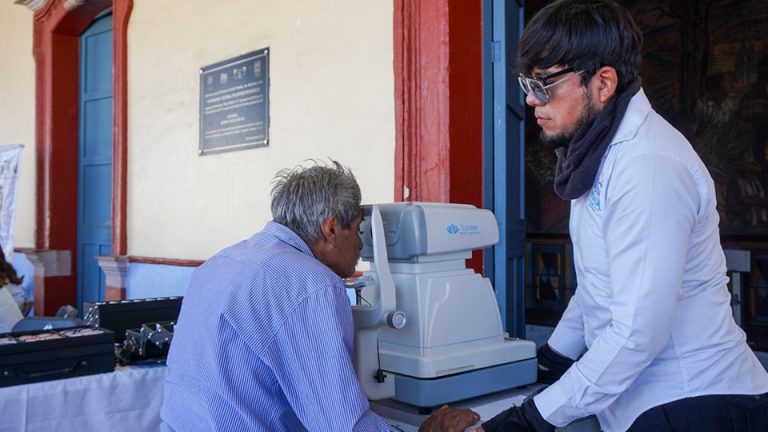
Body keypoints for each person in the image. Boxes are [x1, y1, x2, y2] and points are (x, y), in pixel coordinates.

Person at [420, 1, 768, 431]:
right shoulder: (598, 152)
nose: (530, 99)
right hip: (642, 402)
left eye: (545, 84)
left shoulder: (648, 166)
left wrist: (522, 421)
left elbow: (637, 333)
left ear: (603, 83)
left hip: (694, 398)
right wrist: (549, 362)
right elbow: (597, 288)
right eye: (527, 82)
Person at [160, 160, 473, 431]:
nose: (362, 246)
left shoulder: (219, 262)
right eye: (359, 230)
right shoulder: (313, 284)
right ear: (332, 228)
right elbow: (342, 426)